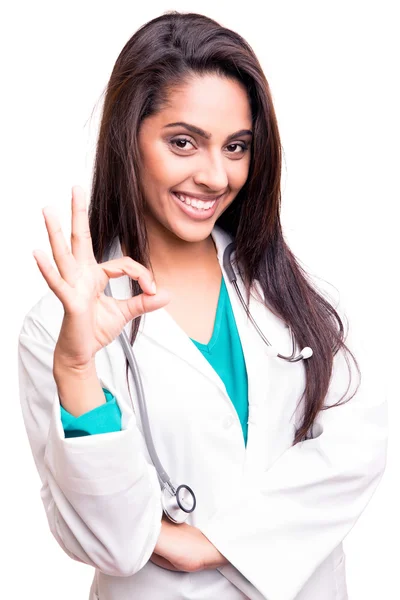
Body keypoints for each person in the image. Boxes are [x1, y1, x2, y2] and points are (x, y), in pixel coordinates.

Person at [18, 10, 387, 600]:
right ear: (128, 138)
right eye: (183, 142)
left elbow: (356, 449)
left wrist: (209, 544)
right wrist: (77, 370)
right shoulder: (58, 330)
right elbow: (115, 544)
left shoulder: (298, 296)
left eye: (236, 147)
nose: (215, 175)